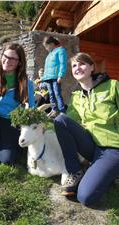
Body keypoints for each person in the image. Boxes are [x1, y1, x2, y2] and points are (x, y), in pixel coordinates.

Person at [54, 52, 119, 207]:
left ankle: (112, 171)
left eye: (82, 64)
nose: (78, 68)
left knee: (85, 197)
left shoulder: (113, 86)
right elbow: (68, 123)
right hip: (90, 145)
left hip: (112, 147)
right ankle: (75, 171)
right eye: (74, 65)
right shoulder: (76, 97)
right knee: (60, 120)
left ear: (91, 67)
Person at [41, 36, 67, 118]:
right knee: (51, 94)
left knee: (57, 94)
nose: (46, 48)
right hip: (48, 78)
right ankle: (54, 110)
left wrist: (61, 75)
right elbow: (47, 67)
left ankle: (62, 111)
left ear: (51, 44)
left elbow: (63, 64)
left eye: (46, 46)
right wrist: (43, 78)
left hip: (55, 77)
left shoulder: (60, 50)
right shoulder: (49, 54)